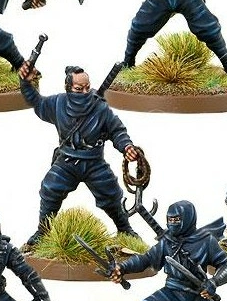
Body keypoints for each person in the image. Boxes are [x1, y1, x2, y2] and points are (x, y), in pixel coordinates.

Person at [18, 64, 143, 245]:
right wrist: (25, 83)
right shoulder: (58, 104)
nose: (85, 92)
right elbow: (37, 102)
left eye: (87, 87)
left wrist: (126, 147)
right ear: (68, 88)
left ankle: (125, 229)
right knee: (50, 188)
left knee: (111, 193)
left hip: (94, 162)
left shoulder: (100, 108)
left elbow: (116, 130)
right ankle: (43, 231)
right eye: (78, 89)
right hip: (66, 162)